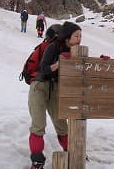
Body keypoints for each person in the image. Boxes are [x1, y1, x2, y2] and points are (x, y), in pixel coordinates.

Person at [28, 21, 82, 169]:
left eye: (80, 36)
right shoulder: (53, 47)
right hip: (39, 87)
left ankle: (72, 152)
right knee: (39, 125)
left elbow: (82, 70)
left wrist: (99, 62)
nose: (79, 39)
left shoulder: (75, 51)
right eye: (76, 35)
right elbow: (44, 69)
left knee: (61, 125)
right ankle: (37, 160)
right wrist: (60, 62)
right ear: (67, 37)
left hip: (55, 88)